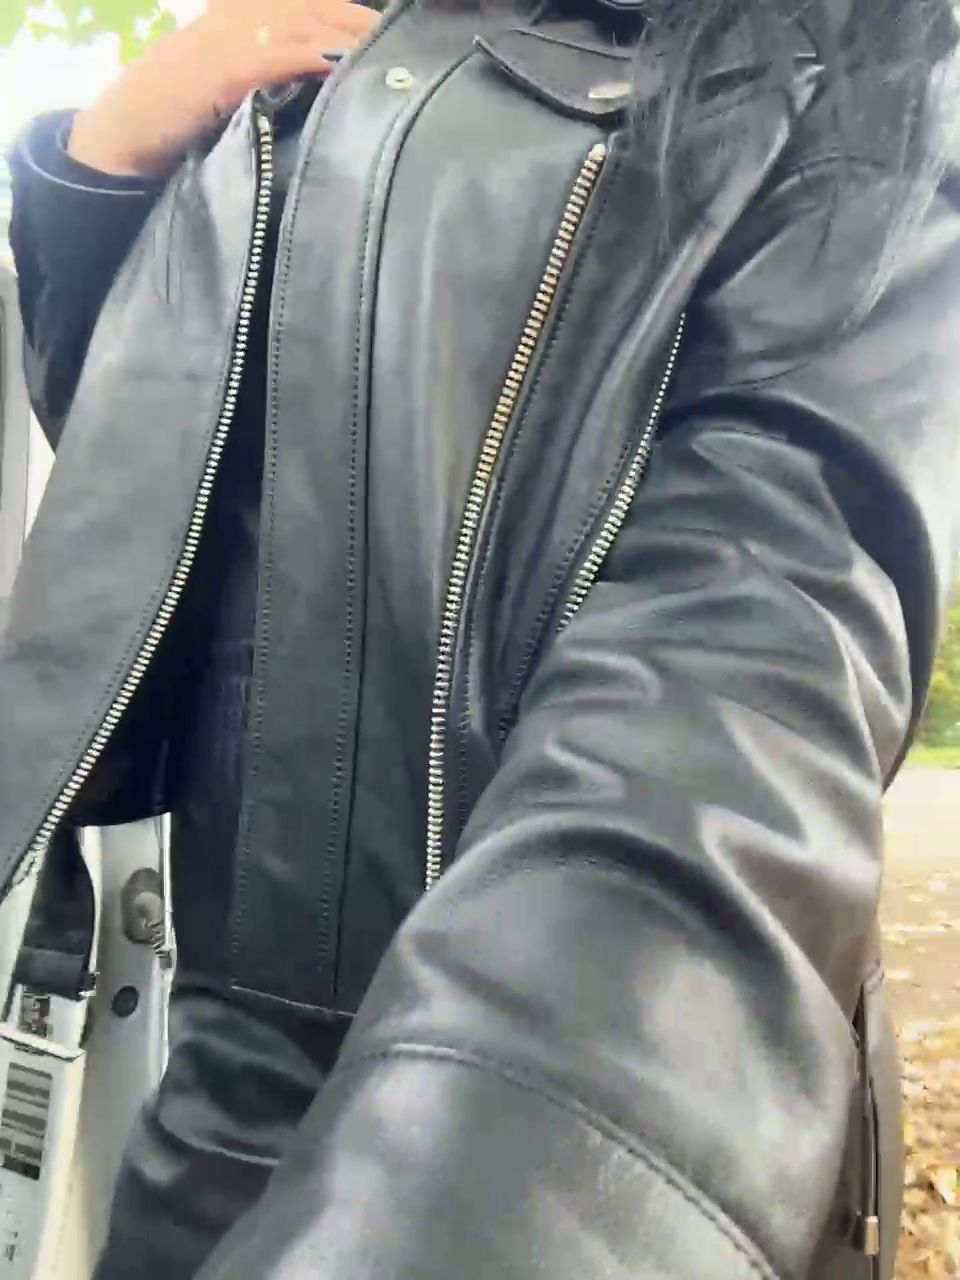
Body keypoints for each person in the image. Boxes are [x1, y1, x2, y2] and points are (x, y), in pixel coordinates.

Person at [3, 0, 960, 1274]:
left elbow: (731, 727)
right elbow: (186, 522)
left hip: (527, 1131)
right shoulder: (338, 50)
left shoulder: (853, 78)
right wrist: (100, 181)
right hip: (205, 1115)